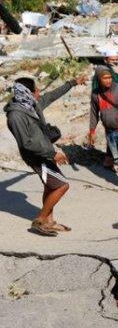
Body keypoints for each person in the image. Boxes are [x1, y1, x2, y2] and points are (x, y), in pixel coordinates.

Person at [5, 74, 88, 236]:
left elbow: (51, 96)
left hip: (44, 152)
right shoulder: (16, 115)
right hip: (36, 156)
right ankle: (40, 220)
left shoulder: (31, 105)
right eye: (35, 90)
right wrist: (52, 153)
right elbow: (26, 143)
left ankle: (49, 221)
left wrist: (72, 82)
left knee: (50, 186)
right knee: (62, 185)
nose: (38, 92)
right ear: (27, 92)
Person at [92, 49, 118, 170]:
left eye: (116, 59)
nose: (115, 62)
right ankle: (112, 159)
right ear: (105, 60)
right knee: (112, 134)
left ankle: (116, 160)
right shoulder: (101, 73)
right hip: (108, 108)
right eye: (112, 60)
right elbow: (95, 91)